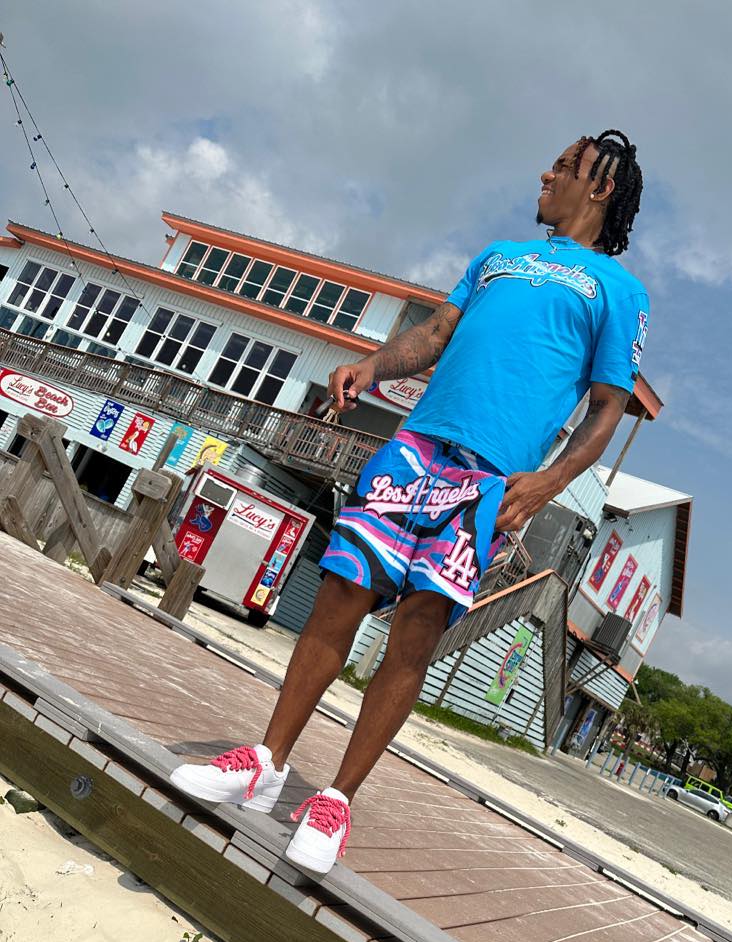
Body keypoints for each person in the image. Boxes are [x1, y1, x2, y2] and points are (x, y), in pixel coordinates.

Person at [170, 129, 650, 874]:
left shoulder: (620, 291)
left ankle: (335, 801)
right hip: (415, 448)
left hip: (490, 480)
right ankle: (266, 762)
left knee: (417, 630)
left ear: (601, 187)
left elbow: (608, 406)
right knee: (340, 595)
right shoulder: (496, 257)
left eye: (562, 166)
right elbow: (434, 333)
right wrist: (371, 362)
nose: (544, 173)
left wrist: (551, 481)